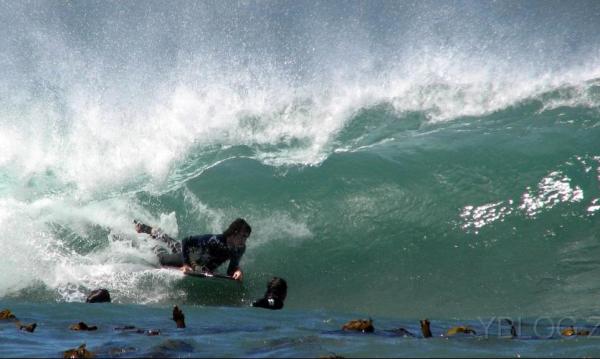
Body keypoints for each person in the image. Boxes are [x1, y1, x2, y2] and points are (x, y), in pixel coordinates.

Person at [134, 218, 251, 281]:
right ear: (234, 233)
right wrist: (185, 264)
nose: (244, 241)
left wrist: (237, 271)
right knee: (162, 258)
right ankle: (146, 239)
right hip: (189, 258)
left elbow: (230, 271)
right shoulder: (214, 240)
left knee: (175, 245)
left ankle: (154, 231)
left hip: (198, 261)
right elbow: (186, 241)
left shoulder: (239, 249)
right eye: (243, 236)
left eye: (246, 237)